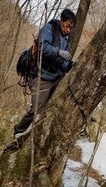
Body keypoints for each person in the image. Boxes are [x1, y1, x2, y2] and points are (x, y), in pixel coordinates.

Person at [13, 9, 76, 147]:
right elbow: (42, 48)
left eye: (70, 28)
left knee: (58, 104)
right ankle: (18, 132)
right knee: (36, 109)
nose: (67, 30)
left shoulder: (67, 39)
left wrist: (69, 64)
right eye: (66, 25)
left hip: (56, 77)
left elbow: (63, 64)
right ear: (61, 20)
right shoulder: (49, 28)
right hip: (42, 77)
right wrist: (59, 52)